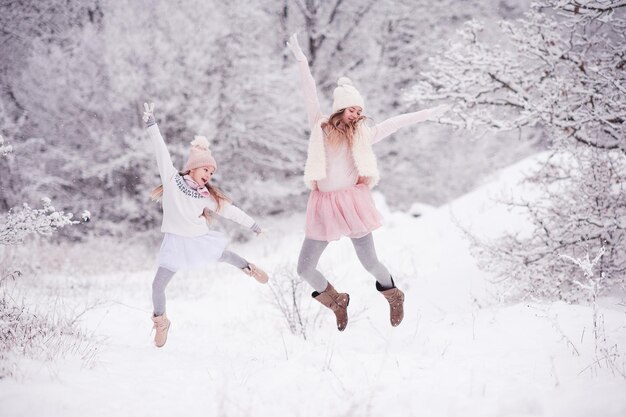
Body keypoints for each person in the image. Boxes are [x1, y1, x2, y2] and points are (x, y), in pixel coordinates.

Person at [286, 34, 450, 331]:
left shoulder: (363, 136)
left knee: (370, 262)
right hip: (323, 206)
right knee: (304, 268)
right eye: (352, 109)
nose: (357, 114)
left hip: (351, 204)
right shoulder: (320, 127)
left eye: (360, 111)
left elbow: (395, 122)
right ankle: (337, 301)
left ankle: (393, 294)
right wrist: (300, 58)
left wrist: (429, 114)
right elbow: (309, 91)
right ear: (340, 110)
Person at [142, 102, 269, 348]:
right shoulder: (170, 179)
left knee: (225, 256)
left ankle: (249, 268)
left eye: (212, 173)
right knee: (157, 286)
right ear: (193, 167)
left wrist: (254, 226)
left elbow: (230, 211)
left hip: (198, 240)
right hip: (175, 243)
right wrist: (151, 124)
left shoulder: (206, 196)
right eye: (206, 170)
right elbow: (161, 151)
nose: (209, 175)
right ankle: (161, 322)